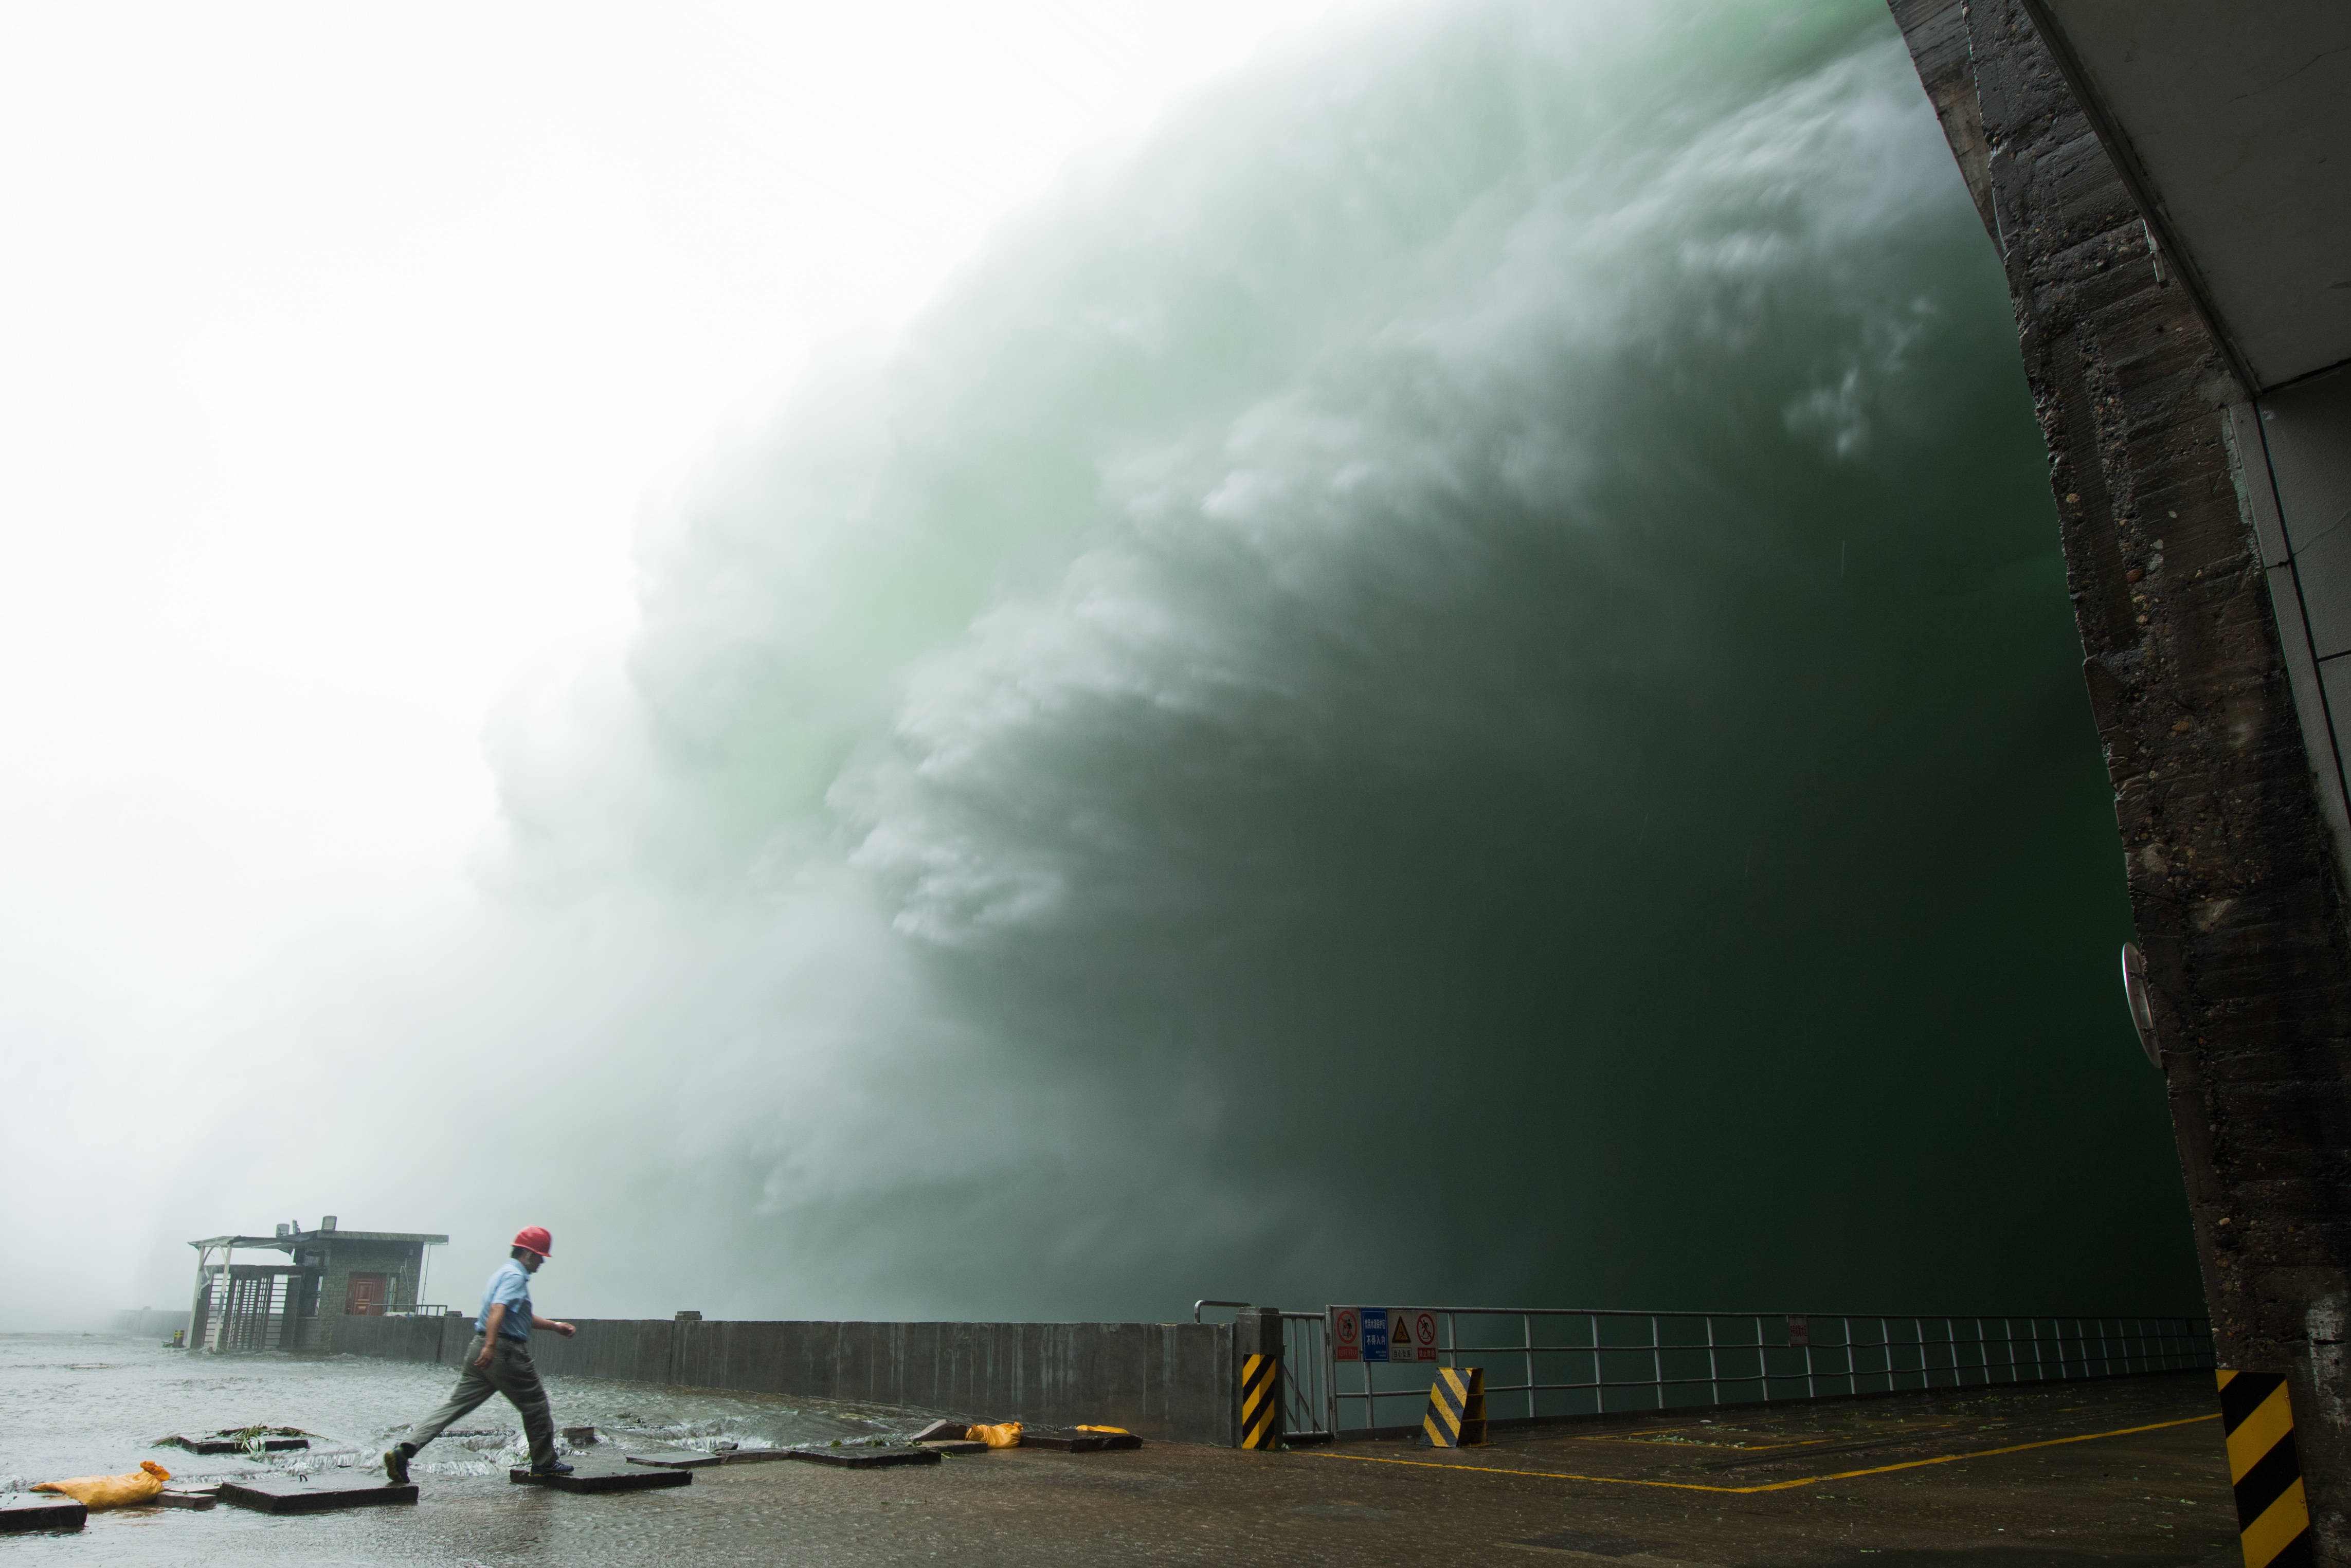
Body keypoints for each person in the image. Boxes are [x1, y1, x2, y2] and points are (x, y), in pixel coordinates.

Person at [383, 1226, 577, 1483]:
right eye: (541, 1256)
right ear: (528, 1254)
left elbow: (518, 1315)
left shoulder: (502, 1274)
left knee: (455, 1406)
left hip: (481, 1350)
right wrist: (492, 1346)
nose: (542, 1262)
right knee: (536, 1406)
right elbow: (498, 1309)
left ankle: (405, 1450)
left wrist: (555, 1326)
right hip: (503, 1351)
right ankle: (545, 1463)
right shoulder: (515, 1277)